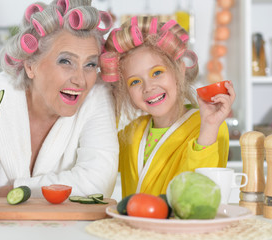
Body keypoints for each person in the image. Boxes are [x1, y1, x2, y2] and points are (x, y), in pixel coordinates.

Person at [0, 0, 119, 198]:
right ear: (30, 65)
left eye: (90, 64)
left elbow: (98, 182)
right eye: (66, 61)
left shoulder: (96, 95)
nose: (81, 80)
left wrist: (15, 190)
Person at [100, 16, 235, 197]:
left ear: (179, 69)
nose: (148, 87)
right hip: (134, 225)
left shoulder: (208, 125)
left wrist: (209, 128)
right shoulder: (131, 132)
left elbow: (199, 193)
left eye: (157, 72)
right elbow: (98, 159)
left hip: (182, 225)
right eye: (134, 82)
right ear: (125, 91)